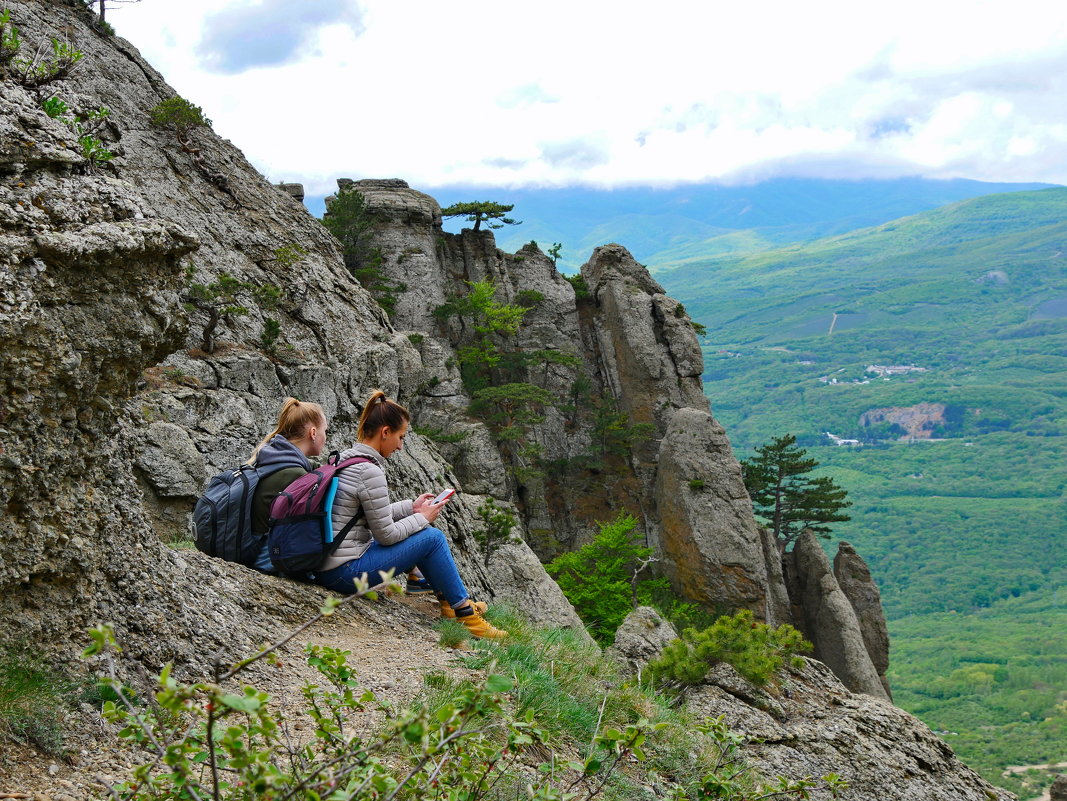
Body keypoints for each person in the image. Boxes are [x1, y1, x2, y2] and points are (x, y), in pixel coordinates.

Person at [312, 391, 506, 639]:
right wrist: (423, 518)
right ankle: (466, 615)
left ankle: (451, 605)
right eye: (400, 437)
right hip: (343, 573)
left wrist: (411, 509)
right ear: (385, 432)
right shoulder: (369, 472)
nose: (401, 446)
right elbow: (386, 536)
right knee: (431, 537)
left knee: (421, 534)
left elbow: (368, 515)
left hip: (329, 563)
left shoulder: (345, 460)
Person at [247, 397, 327, 573]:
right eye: (325, 431)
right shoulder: (295, 474)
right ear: (313, 433)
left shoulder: (273, 456)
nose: (325, 438)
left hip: (249, 545)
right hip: (263, 556)